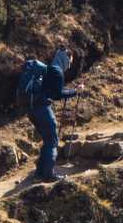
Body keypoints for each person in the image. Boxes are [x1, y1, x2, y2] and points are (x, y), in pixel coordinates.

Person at [18, 46, 79, 182]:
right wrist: (75, 91)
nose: (69, 66)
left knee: (47, 140)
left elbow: (53, 90)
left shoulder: (50, 69)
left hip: (31, 109)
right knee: (52, 141)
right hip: (42, 109)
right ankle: (49, 174)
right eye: (69, 62)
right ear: (65, 59)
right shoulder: (57, 71)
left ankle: (39, 173)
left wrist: (71, 90)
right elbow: (57, 94)